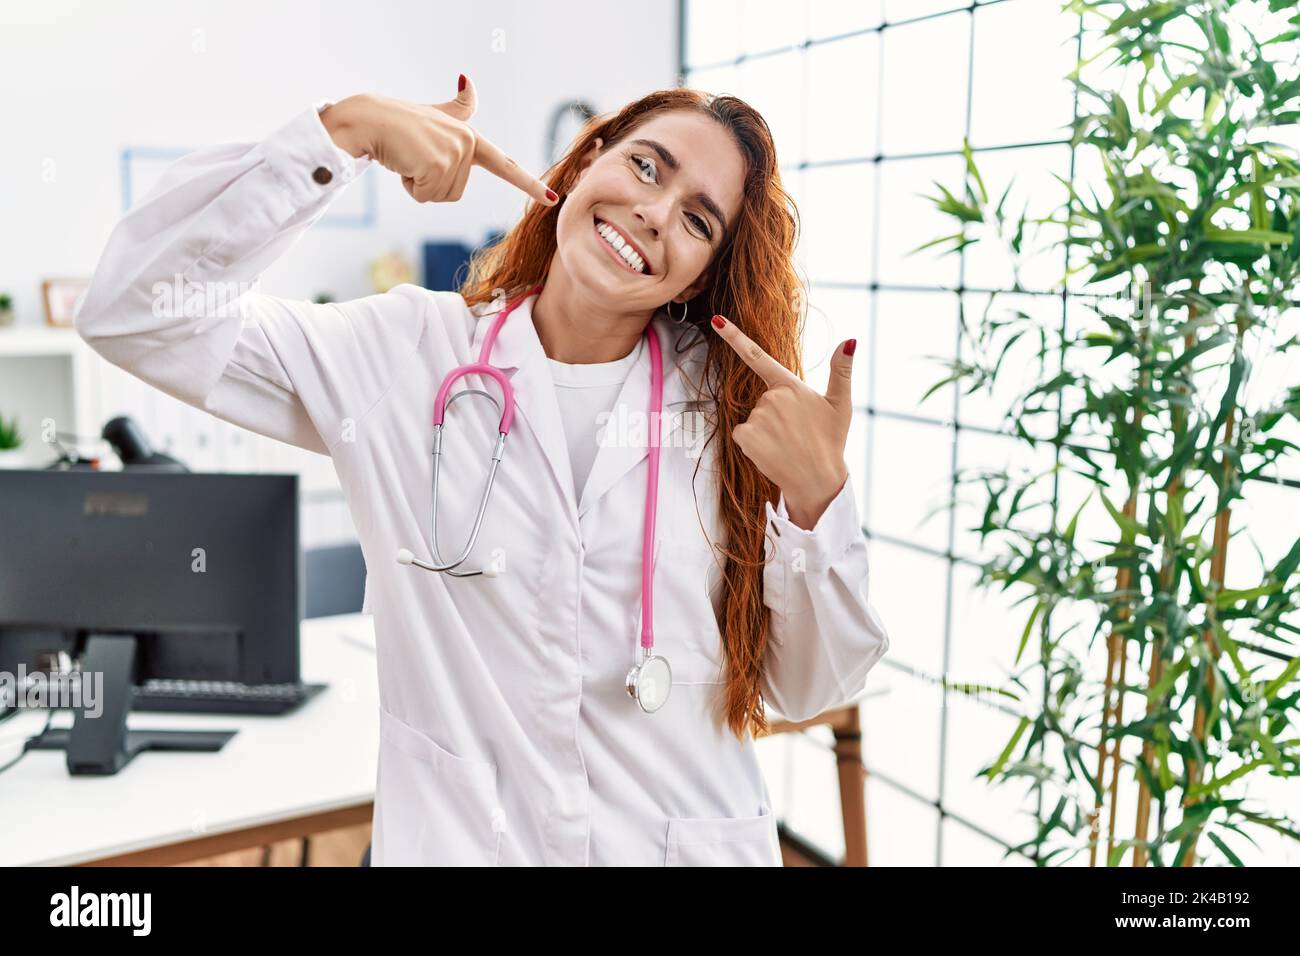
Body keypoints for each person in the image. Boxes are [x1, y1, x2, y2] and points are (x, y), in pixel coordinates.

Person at [74, 76, 890, 866]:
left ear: (704, 273)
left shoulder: (734, 413)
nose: (652, 212)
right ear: (584, 163)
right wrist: (340, 133)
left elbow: (809, 687)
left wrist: (820, 499)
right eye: (646, 165)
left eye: (698, 221)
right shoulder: (405, 358)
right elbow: (135, 311)